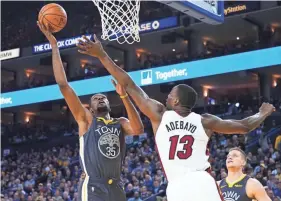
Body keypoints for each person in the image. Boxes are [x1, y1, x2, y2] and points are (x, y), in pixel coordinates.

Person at [77, 35, 275, 201]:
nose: (167, 96)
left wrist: (102, 54)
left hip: (178, 187)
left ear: (178, 100)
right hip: (202, 183)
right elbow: (244, 126)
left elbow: (128, 84)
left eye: (171, 94)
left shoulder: (160, 114)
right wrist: (263, 113)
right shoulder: (205, 120)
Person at [37, 23, 144, 201]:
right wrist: (54, 46)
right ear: (91, 108)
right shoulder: (86, 120)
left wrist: (124, 96)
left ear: (110, 104)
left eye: (103, 97)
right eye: (95, 98)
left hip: (117, 186)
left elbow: (138, 129)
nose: (100, 98)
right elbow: (64, 86)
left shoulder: (120, 123)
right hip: (94, 186)